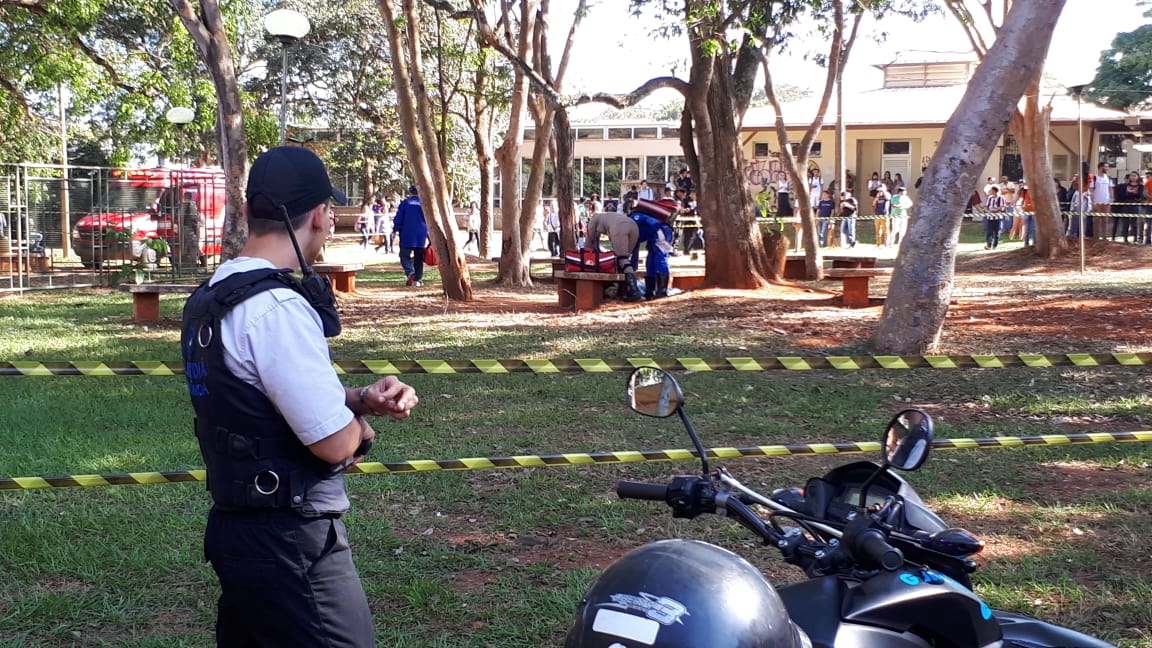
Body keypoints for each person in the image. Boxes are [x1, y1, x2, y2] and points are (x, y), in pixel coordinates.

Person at [181, 145, 420, 647]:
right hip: (292, 543)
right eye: (329, 213)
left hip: (238, 531)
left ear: (251, 211)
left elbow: (258, 399)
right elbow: (333, 443)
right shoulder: (276, 308)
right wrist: (359, 428)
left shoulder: (213, 296)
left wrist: (359, 397)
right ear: (318, 215)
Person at [585, 210, 642, 301]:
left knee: (622, 259)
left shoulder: (594, 219)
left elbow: (589, 241)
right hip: (633, 226)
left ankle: (634, 291)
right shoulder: (608, 216)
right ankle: (623, 291)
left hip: (619, 227)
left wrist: (586, 255)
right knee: (625, 260)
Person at [394, 185, 428, 286]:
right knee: (419, 258)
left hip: (407, 234)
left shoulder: (405, 203)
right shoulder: (424, 204)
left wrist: (395, 229)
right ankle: (418, 280)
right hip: (421, 234)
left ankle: (410, 272)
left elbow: (399, 218)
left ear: (410, 192)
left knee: (404, 256)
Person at [1090, 163, 1113, 239]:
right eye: (1105, 167)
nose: (1107, 168)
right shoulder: (1094, 178)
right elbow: (1091, 190)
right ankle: (1096, 237)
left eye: (1107, 167)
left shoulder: (1108, 178)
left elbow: (1110, 189)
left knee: (1105, 220)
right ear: (1100, 167)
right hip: (1097, 202)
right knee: (1096, 220)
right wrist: (1093, 202)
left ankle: (1105, 236)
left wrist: (1111, 199)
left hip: (1106, 202)